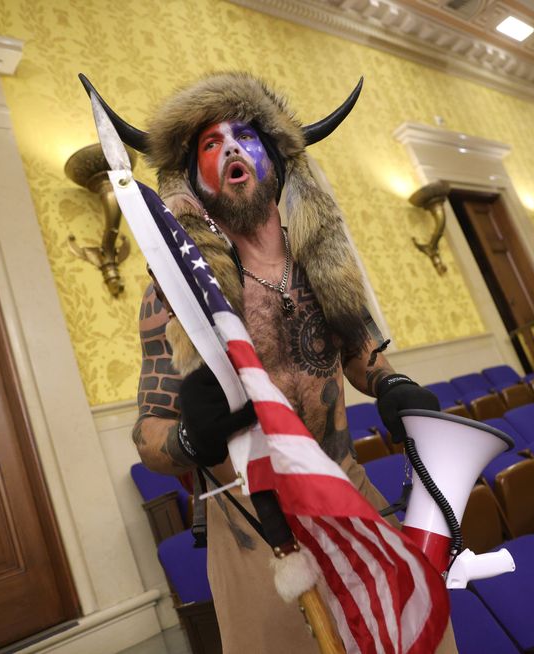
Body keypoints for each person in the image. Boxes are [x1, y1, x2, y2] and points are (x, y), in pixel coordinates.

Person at [96, 72, 455, 653]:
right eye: (211, 143)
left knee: (415, 636)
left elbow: (363, 355)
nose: (230, 149)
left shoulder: (322, 264)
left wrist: (394, 384)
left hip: (347, 494)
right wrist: (190, 438)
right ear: (193, 178)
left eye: (245, 136)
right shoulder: (177, 293)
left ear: (277, 161)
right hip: (253, 530)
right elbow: (149, 436)